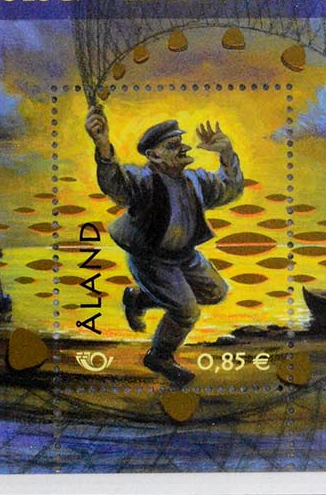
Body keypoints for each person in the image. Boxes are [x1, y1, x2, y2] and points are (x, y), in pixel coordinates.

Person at [82, 104, 245, 387]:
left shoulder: (195, 181)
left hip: (186, 257)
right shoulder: (143, 181)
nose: (183, 148)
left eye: (180, 142)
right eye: (172, 145)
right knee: (186, 311)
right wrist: (104, 147)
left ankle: (139, 299)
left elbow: (230, 189)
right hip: (152, 261)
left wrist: (227, 154)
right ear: (154, 155)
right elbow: (117, 185)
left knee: (216, 292)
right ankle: (159, 356)